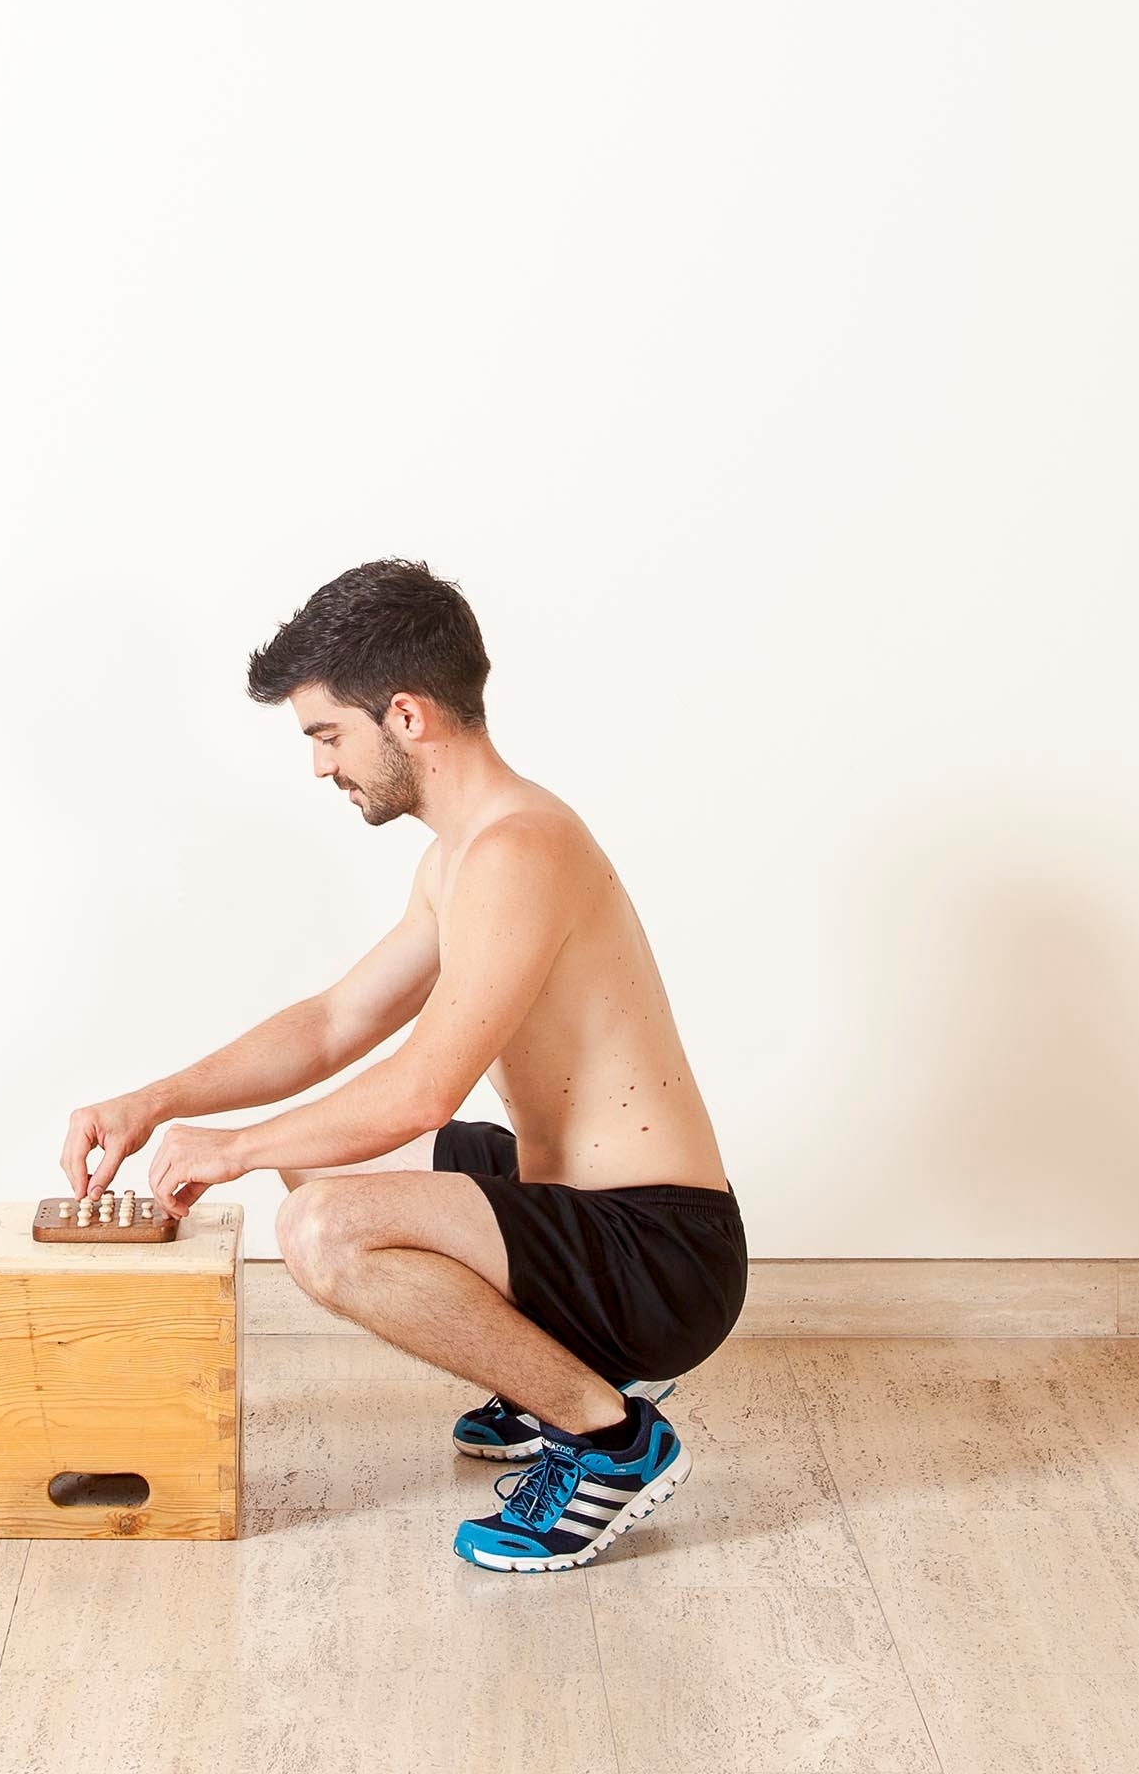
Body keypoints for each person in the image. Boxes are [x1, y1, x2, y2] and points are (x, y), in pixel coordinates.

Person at [60, 556, 746, 1572]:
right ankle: (555, 1371)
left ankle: (607, 1437)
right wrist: (152, 1101)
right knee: (318, 1167)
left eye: (327, 733)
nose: (319, 765)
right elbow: (334, 1021)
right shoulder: (460, 853)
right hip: (578, 1210)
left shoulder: (521, 849)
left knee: (322, 1222)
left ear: (409, 715)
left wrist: (237, 1145)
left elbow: (424, 1084)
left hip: (658, 1255)